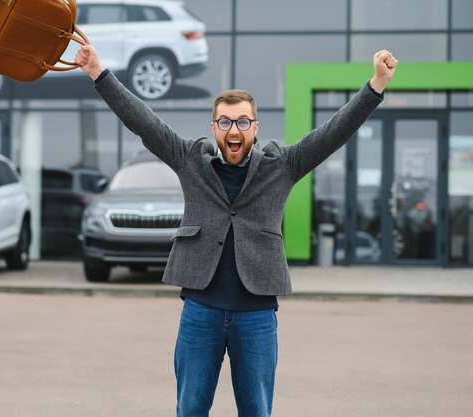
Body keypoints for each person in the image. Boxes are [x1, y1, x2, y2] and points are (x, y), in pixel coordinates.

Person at [75, 46, 397, 417]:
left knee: (256, 411)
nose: (234, 129)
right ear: (214, 128)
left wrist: (376, 85)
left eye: (243, 122)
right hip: (200, 310)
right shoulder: (191, 159)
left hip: (256, 314)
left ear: (255, 128)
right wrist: (99, 72)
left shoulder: (282, 165)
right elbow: (145, 122)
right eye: (225, 122)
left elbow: (332, 133)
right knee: (190, 408)